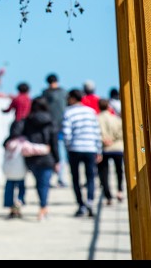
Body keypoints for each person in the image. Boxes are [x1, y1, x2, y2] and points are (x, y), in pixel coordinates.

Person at [63, 88, 104, 217]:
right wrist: (99, 150)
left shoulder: (68, 113)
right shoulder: (91, 112)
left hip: (75, 149)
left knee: (76, 178)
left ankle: (81, 205)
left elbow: (66, 133)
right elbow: (97, 132)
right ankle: (90, 202)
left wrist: (69, 147)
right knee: (90, 177)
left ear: (73, 98)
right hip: (90, 148)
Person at [21, 97, 60, 221]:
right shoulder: (51, 121)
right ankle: (43, 207)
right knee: (44, 184)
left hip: (31, 157)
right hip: (47, 156)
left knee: (38, 183)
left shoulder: (27, 120)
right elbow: (54, 142)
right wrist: (57, 159)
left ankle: (43, 207)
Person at [39, 73, 68, 187]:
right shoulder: (64, 93)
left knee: (54, 152)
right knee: (60, 152)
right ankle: (60, 178)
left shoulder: (44, 94)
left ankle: (54, 178)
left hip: (50, 127)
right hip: (61, 126)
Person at [96, 97, 125, 205]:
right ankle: (120, 191)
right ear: (109, 106)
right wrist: (112, 139)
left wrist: (104, 139)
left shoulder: (96, 119)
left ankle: (108, 196)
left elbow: (96, 133)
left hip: (103, 148)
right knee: (119, 171)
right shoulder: (116, 119)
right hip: (117, 147)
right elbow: (121, 133)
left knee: (104, 173)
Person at [1, 118, 28, 218]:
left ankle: (11, 208)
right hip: (21, 171)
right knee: (21, 188)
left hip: (10, 171)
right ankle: (19, 204)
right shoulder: (24, 142)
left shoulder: (8, 143)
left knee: (9, 188)